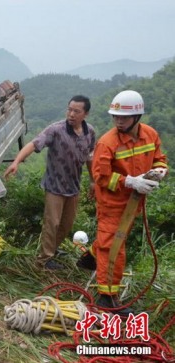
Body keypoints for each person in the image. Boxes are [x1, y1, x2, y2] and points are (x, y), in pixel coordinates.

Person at [89, 90, 168, 315]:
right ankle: (107, 297)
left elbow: (159, 159)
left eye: (123, 118)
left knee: (109, 243)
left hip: (134, 204)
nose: (118, 121)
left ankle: (91, 256)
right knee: (113, 248)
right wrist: (130, 182)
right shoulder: (107, 143)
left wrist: (159, 172)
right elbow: (101, 177)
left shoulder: (150, 135)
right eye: (115, 117)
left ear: (137, 117)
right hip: (112, 205)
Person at [4, 95, 96, 270]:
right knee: (52, 223)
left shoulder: (89, 132)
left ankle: (52, 250)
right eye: (69, 109)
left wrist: (93, 180)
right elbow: (33, 144)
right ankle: (43, 261)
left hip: (73, 187)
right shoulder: (56, 130)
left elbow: (90, 157)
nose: (71, 114)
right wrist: (16, 162)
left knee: (67, 224)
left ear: (86, 114)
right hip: (54, 186)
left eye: (76, 111)